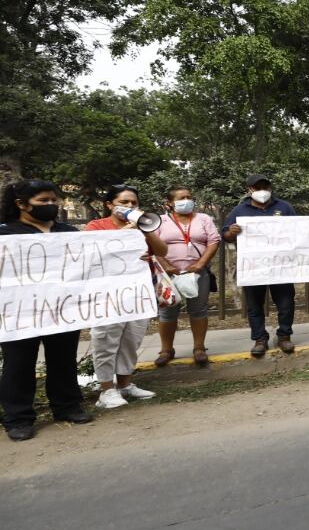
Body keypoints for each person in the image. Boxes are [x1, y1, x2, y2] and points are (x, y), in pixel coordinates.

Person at [0, 180, 95, 440]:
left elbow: (93, 263)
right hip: (19, 313)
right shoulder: (5, 234)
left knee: (63, 359)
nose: (51, 205)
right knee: (18, 364)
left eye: (54, 200)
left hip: (62, 310)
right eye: (43, 201)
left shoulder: (68, 232)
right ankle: (18, 418)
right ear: (21, 204)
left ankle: (67, 406)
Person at [85, 184, 170, 409]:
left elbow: (162, 252)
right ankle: (106, 390)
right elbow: (89, 253)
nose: (130, 206)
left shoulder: (143, 227)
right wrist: (123, 234)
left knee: (131, 340)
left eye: (134, 203)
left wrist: (147, 231)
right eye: (124, 202)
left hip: (137, 293)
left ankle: (124, 384)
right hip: (107, 294)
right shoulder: (96, 226)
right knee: (106, 340)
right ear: (109, 204)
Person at [221, 173, 297, 358]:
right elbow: (224, 234)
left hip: (282, 266)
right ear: (250, 190)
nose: (262, 191)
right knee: (254, 305)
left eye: (265, 187)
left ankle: (284, 336)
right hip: (254, 267)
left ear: (270, 188)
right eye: (258, 187)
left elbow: (298, 229)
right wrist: (231, 232)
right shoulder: (240, 210)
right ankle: (259, 339)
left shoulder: (284, 207)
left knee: (286, 303)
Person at [154, 185, 220, 367]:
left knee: (199, 310)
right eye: (181, 198)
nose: (186, 201)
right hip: (168, 275)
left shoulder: (204, 219)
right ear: (169, 203)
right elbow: (152, 245)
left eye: (189, 197)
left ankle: (199, 348)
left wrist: (200, 264)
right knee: (167, 312)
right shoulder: (160, 221)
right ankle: (166, 350)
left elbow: (214, 241)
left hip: (197, 273)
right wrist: (166, 266)